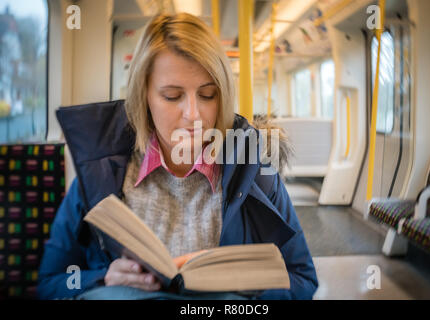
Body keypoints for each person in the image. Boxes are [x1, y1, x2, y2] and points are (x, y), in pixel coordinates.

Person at [37, 13, 318, 300]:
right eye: (172, 96)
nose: (193, 115)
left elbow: (302, 279)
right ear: (143, 95)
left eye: (208, 95)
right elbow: (51, 283)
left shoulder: (256, 172)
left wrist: (251, 290)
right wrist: (103, 278)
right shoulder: (99, 176)